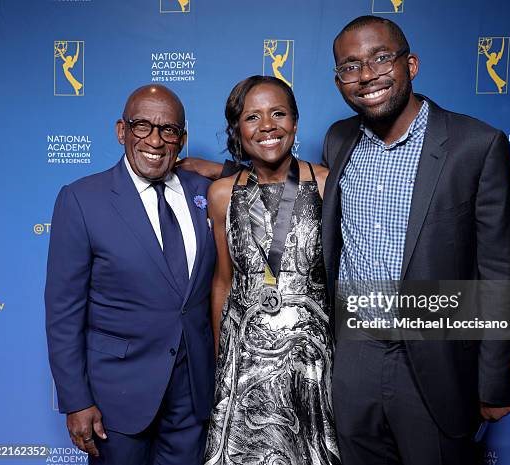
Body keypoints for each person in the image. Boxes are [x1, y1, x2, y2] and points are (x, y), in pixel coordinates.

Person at [323, 16, 510, 465]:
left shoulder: (476, 145)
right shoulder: (338, 141)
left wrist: (495, 382)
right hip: (355, 354)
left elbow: (500, 272)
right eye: (349, 66)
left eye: (380, 58)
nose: (367, 75)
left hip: (435, 358)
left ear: (410, 64)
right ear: (339, 81)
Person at [45, 84, 215, 465]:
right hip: (115, 399)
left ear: (182, 140)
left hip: (192, 397)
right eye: (142, 126)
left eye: (168, 130)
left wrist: (219, 168)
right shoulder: (82, 199)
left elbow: (271, 173)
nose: (155, 140)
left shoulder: (204, 191)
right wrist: (76, 399)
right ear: (122, 131)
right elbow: (63, 311)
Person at [203, 75, 340, 465]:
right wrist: (222, 360)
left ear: (295, 123)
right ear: (238, 129)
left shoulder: (327, 183)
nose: (267, 126)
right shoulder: (222, 193)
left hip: (310, 360)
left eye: (278, 113)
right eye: (252, 117)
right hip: (244, 360)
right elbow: (223, 282)